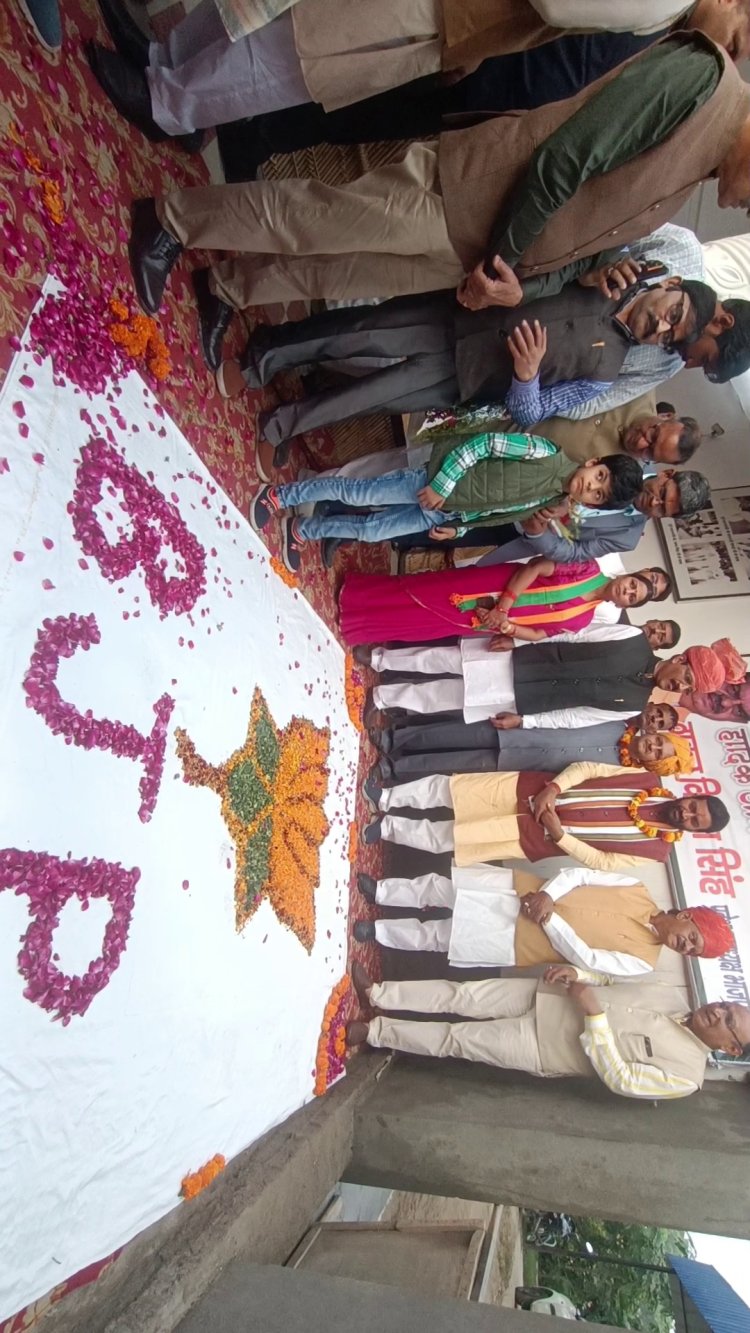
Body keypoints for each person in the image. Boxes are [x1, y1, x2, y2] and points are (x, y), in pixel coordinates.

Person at [126, 31, 750, 320]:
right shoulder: (703, 78)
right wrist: (502, 266)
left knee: (335, 272)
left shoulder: (703, 164)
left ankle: (228, 288)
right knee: (311, 219)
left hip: (480, 253)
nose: (742, 209)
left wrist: (515, 289)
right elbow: (564, 160)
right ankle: (172, 220)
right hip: (468, 197)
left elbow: (587, 241)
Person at [89, 0, 749, 147]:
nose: (724, 51)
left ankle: (170, 103)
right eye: (738, 39)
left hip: (452, 13)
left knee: (302, 49)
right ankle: (164, 64)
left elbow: (553, 8)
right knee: (287, 23)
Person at [346, 962, 750, 1098]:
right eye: (725, 1006)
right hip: (548, 994)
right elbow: (609, 981)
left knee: (457, 1039)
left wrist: (594, 1016)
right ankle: (379, 992)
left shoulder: (686, 1077)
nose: (718, 1012)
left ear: (731, 1049)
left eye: (728, 1021)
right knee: (462, 994)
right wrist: (579, 974)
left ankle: (376, 1032)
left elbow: (623, 1080)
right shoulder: (673, 996)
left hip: (543, 1046)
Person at [249, 435, 644, 573]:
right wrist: (442, 484)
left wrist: (459, 528)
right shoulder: (545, 452)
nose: (591, 486)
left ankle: (305, 528)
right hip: (431, 482)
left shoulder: (550, 501)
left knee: (372, 531)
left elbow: (494, 513)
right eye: (599, 477)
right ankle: (281, 495)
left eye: (597, 494)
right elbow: (484, 444)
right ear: (594, 463)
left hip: (445, 512)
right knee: (357, 493)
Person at [355, 864, 733, 973]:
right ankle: (382, 892)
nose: (685, 946)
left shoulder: (644, 963)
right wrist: (548, 897)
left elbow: (589, 959)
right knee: (442, 888)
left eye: (692, 951)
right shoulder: (637, 887)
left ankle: (378, 931)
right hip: (528, 890)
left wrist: (549, 920)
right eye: (693, 938)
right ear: (687, 916)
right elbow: (582, 875)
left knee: (440, 937)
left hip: (523, 940)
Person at [361, 761, 731, 871]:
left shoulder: (655, 852)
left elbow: (602, 861)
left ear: (694, 832)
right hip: (530, 788)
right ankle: (388, 796)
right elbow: (589, 769)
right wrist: (553, 789)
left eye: (694, 820)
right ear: (691, 795)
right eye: (693, 806)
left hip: (533, 836)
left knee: (452, 837)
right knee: (453, 789)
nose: (686, 813)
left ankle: (387, 828)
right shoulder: (647, 780)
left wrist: (559, 833)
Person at [338, 558, 670, 649]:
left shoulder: (582, 620)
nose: (627, 591)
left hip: (492, 619)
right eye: (632, 584)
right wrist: (504, 607)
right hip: (496, 586)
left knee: (428, 625)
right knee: (429, 590)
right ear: (628, 576)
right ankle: (356, 596)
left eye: (632, 597)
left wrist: (507, 626)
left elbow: (539, 635)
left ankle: (360, 626)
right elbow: (537, 566)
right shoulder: (588, 568)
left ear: (627, 606)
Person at [369, 706, 685, 783]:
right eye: (659, 742)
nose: (653, 747)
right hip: (520, 732)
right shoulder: (616, 722)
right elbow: (567, 715)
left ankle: (394, 767)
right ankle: (393, 739)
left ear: (654, 763)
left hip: (520, 766)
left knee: (450, 764)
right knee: (451, 734)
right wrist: (523, 720)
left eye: (658, 754)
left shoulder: (618, 774)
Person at [469, 469, 711, 566]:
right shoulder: (626, 462)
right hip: (509, 492)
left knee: (452, 541)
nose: (654, 502)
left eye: (662, 509)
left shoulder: (627, 538)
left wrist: (537, 532)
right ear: (666, 474)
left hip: (520, 537)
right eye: (662, 493)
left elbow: (574, 553)